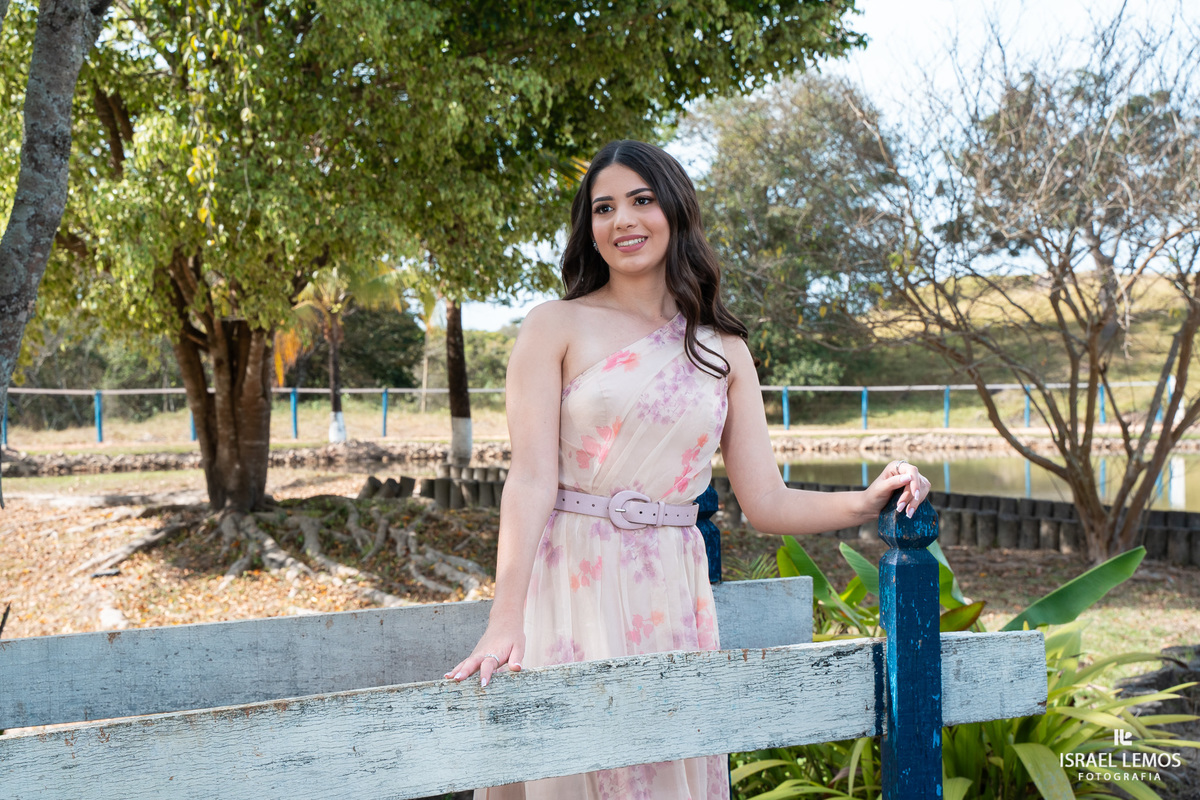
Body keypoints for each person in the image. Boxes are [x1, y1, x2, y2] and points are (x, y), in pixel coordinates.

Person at [446, 140, 931, 800]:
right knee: (569, 762)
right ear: (588, 228)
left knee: (660, 765)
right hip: (570, 582)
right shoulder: (554, 325)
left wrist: (867, 500)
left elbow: (765, 502)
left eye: (642, 200)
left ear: (674, 210)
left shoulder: (723, 348)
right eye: (604, 207)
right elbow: (529, 481)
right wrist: (505, 623)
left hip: (671, 591)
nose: (624, 221)